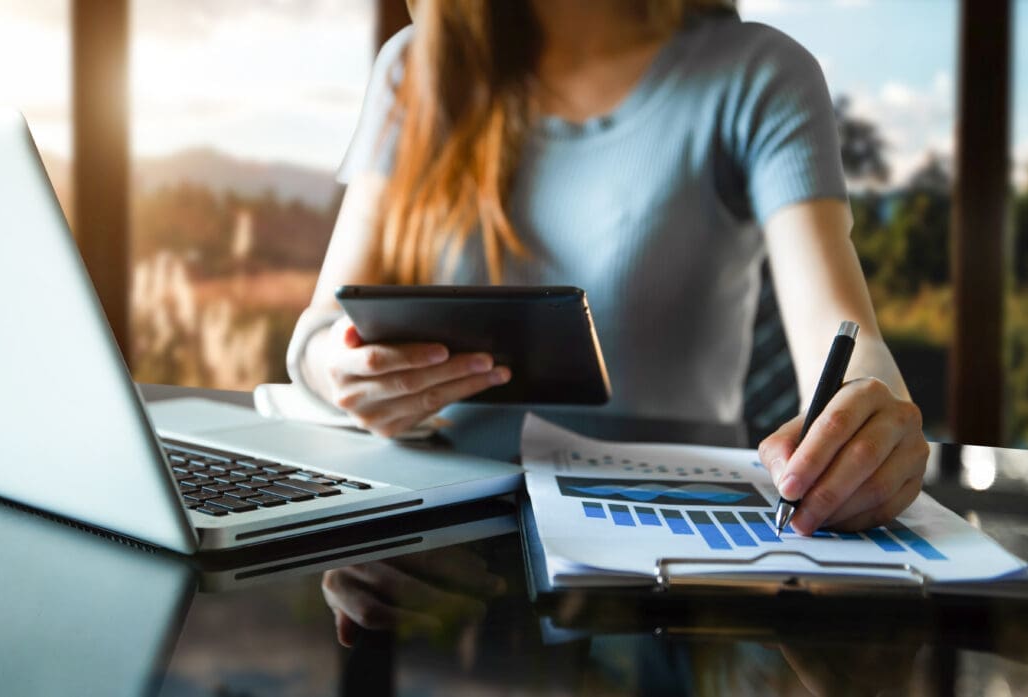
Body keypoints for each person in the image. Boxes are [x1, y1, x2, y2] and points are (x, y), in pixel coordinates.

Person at [286, 0, 929, 536]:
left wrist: (874, 415)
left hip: (663, 545)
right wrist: (340, 370)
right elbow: (321, 331)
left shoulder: (760, 73)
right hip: (434, 533)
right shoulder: (415, 67)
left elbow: (847, 341)